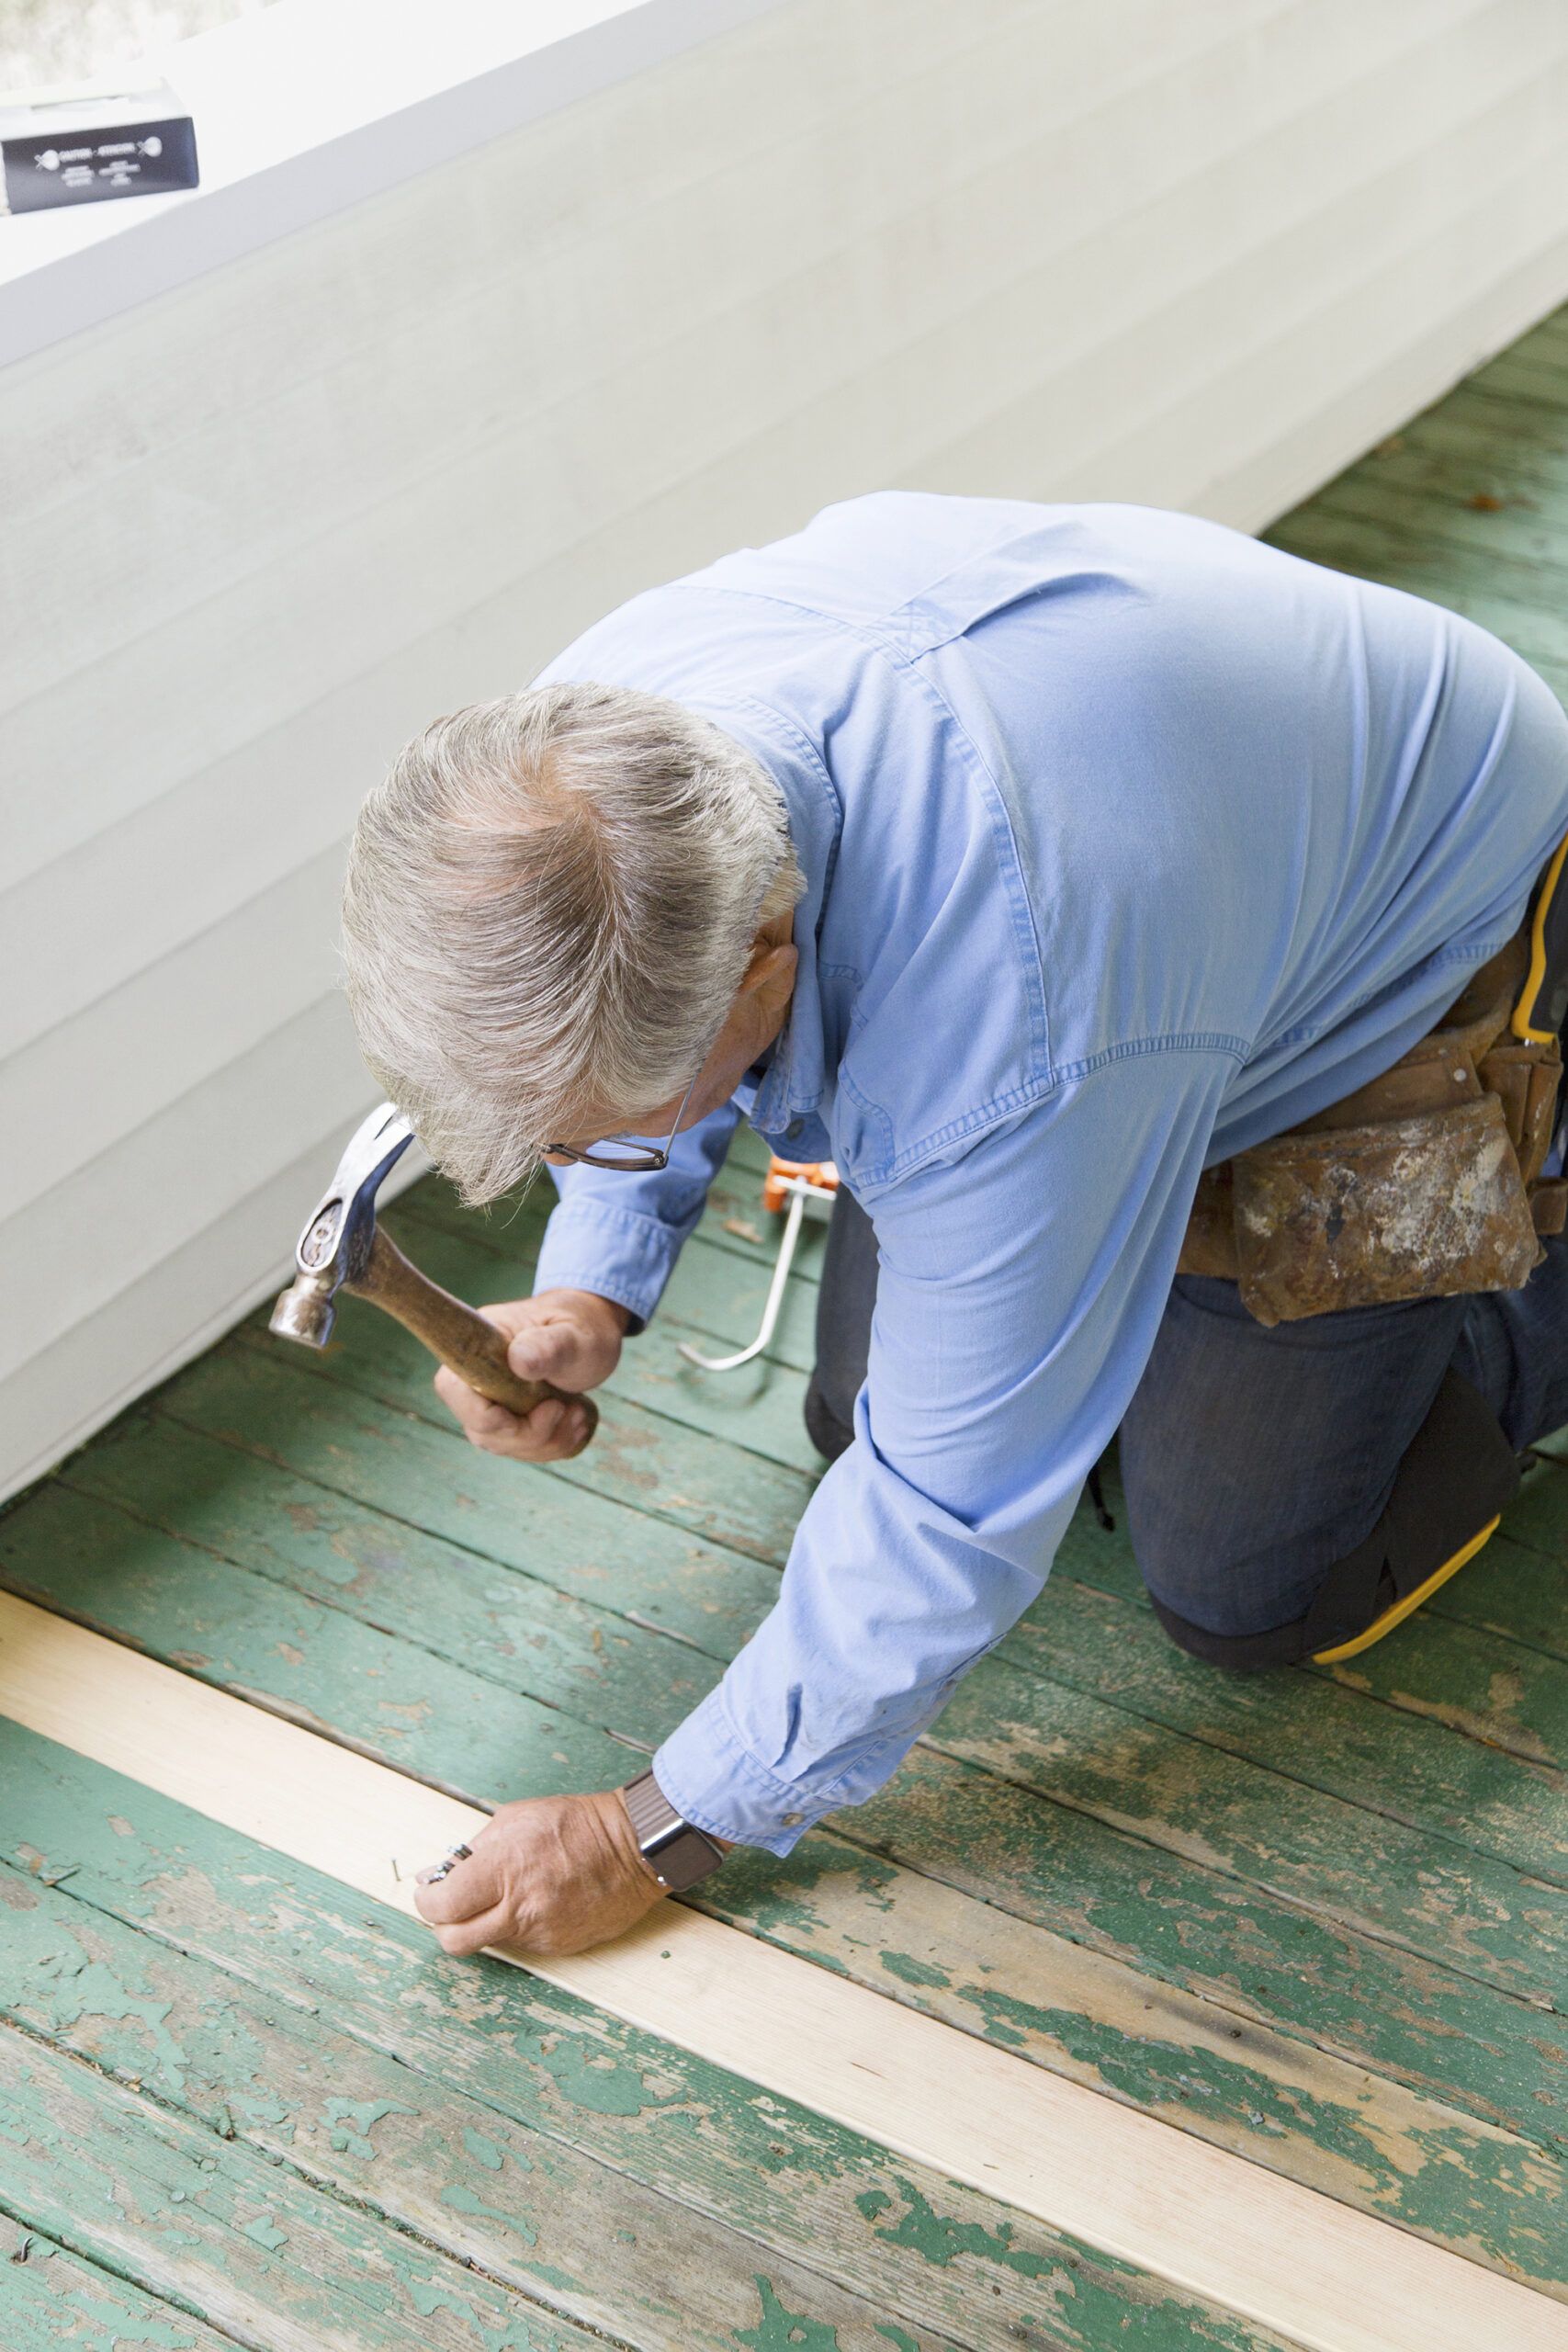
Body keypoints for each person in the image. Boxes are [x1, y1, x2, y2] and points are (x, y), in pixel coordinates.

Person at [341, 493, 1568, 1959]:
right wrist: (591, 1284)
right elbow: (622, 1026)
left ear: (764, 965)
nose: (583, 1160)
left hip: (1431, 912)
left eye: (604, 1135)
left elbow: (947, 1512)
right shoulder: (579, 766)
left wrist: (652, 1828)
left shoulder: (1012, 1027)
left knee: (1254, 1591)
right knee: (851, 1410)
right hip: (1173, 893)